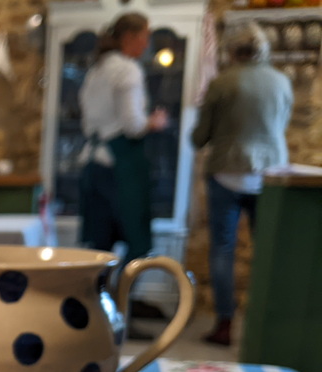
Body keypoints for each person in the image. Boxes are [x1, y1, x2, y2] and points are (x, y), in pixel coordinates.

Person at [190, 22, 292, 347]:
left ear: (232, 50)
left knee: (223, 248)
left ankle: (224, 324)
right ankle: (267, 321)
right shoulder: (281, 83)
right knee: (268, 250)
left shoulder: (223, 83)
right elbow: (281, 124)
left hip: (227, 170)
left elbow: (200, 137)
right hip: (271, 173)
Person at [77, 13, 169, 330]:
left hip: (93, 164)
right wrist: (154, 122)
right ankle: (119, 306)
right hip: (120, 167)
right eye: (145, 36)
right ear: (131, 38)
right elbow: (132, 125)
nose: (147, 44)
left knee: (100, 244)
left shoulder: (97, 69)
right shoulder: (127, 69)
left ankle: (95, 309)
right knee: (137, 241)